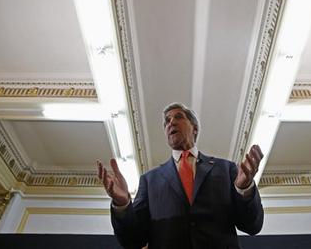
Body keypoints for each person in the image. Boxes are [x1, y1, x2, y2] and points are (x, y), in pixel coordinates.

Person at [97, 103, 264, 249]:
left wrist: (244, 189)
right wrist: (123, 205)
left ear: (194, 128)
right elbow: (133, 240)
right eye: (167, 121)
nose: (171, 123)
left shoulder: (226, 169)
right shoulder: (149, 180)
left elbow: (252, 225)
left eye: (178, 117)